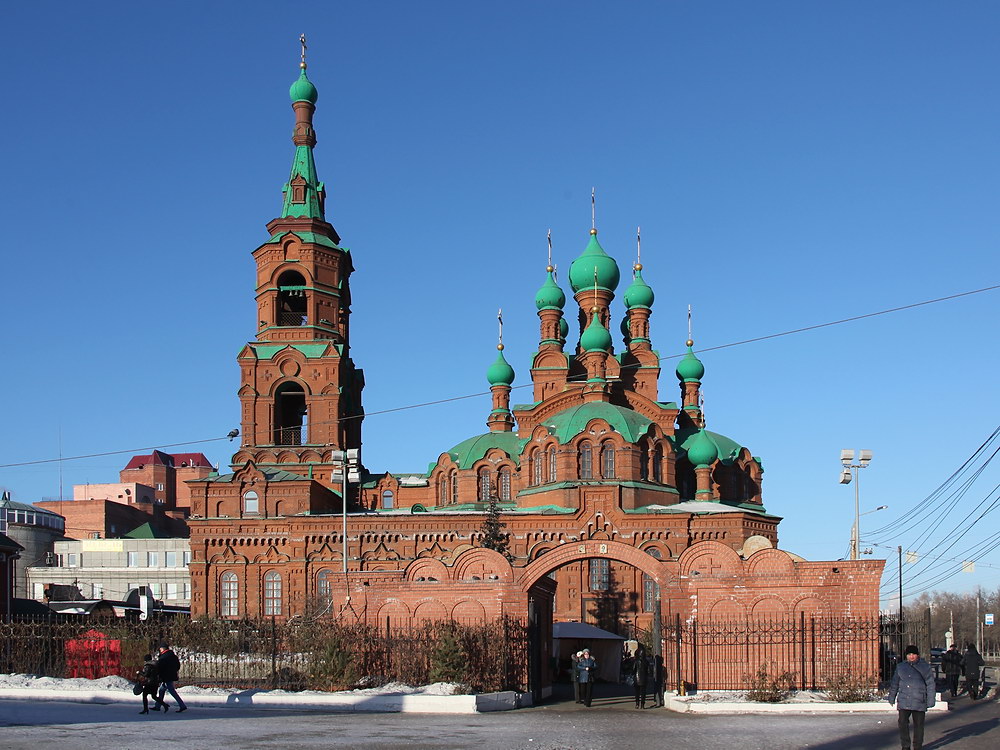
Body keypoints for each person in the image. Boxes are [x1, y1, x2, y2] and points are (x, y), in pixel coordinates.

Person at [888, 645, 935, 750]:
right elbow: (895, 683)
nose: (911, 656)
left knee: (918, 725)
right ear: (906, 656)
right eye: (909, 654)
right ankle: (905, 745)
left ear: (917, 655)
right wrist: (892, 696)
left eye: (913, 654)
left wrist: (931, 699)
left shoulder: (925, 667)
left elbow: (930, 684)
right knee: (902, 723)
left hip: (919, 699)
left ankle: (917, 746)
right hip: (904, 699)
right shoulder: (901, 667)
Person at [154, 641, 188, 713]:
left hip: (166, 677)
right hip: (171, 676)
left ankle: (182, 705)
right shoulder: (173, 656)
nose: (160, 650)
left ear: (163, 648)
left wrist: (159, 675)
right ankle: (157, 706)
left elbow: (160, 668)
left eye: (160, 648)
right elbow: (177, 666)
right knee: (162, 690)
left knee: (171, 691)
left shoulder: (163, 657)